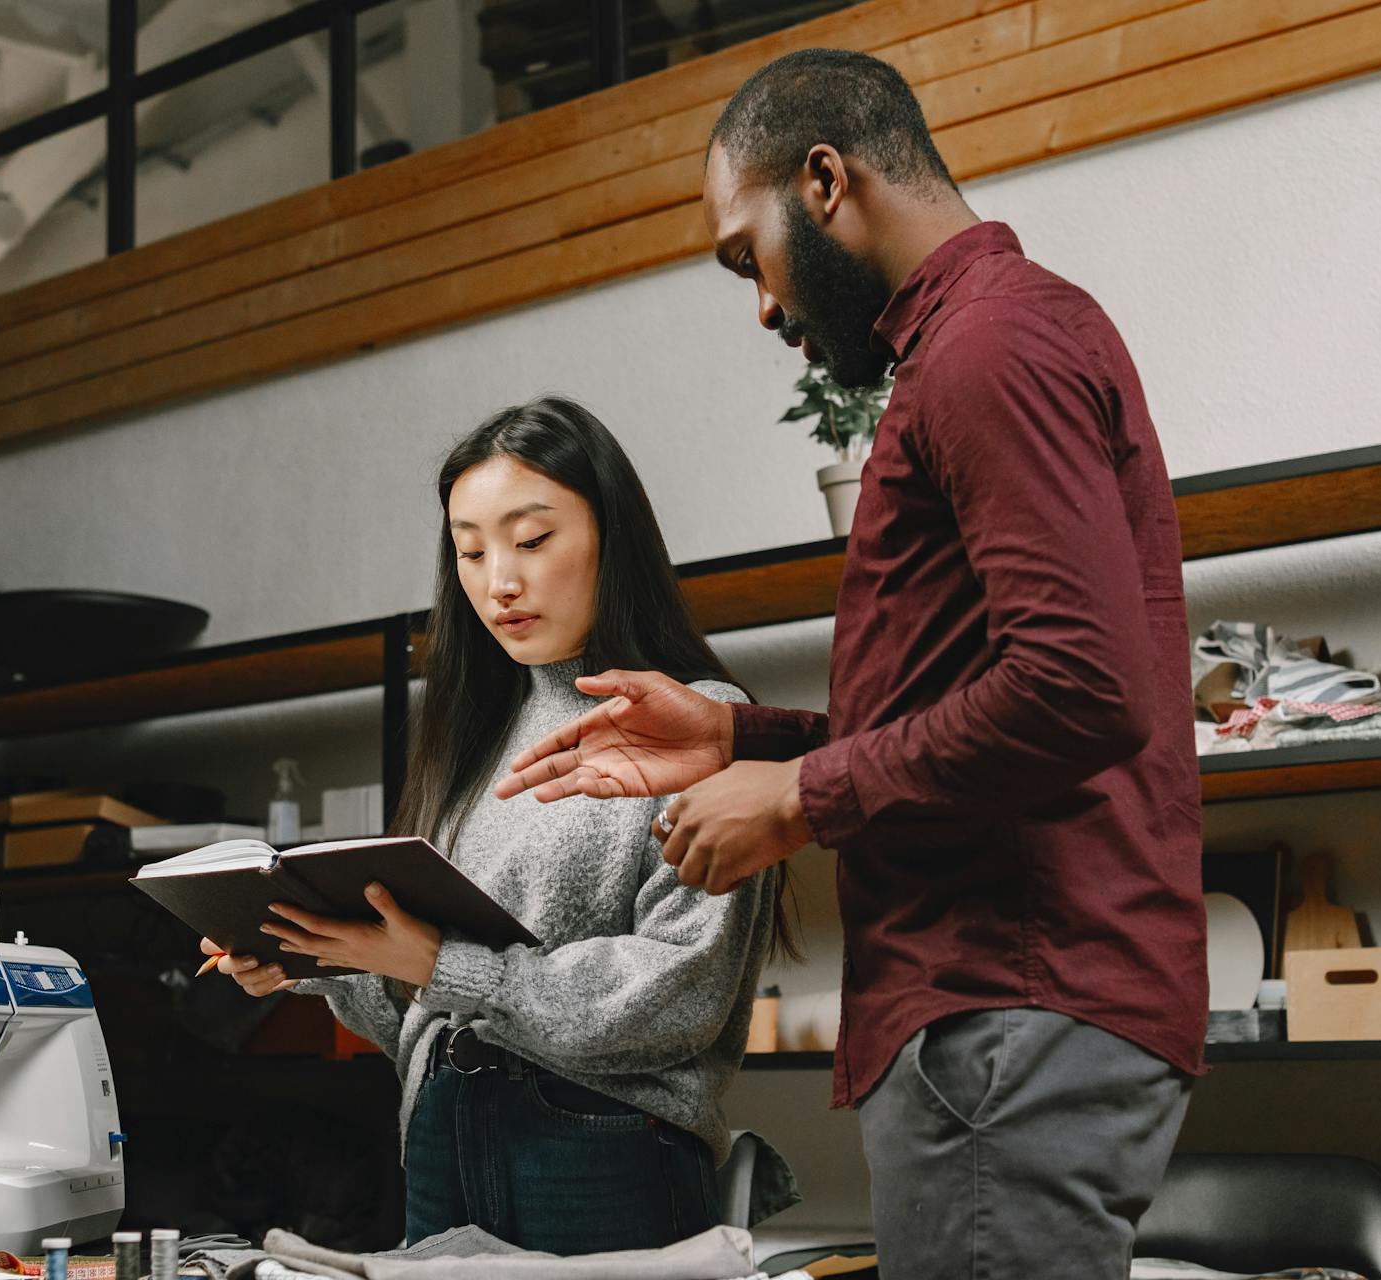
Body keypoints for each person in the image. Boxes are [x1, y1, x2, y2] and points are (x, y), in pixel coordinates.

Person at [495, 50, 1207, 1280]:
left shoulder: (990, 349)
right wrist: (740, 741)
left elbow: (1080, 687)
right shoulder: (983, 345)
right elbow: (964, 696)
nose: (763, 305)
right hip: (1002, 1013)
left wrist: (799, 799)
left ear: (823, 180)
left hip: (1008, 1005)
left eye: (745, 254)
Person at [203, 395, 795, 1255]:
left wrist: (447, 967)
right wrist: (318, 957)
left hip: (602, 1146)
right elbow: (422, 1003)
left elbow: (680, 995)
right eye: (470, 551)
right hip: (439, 1132)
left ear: (612, 538)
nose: (498, 581)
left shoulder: (704, 723)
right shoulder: (471, 743)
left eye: (531, 540)